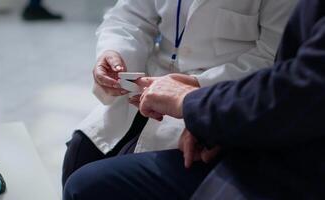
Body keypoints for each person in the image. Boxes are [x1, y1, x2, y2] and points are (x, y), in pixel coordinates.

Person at [63, 0, 325, 198]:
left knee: (93, 186)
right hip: (149, 89)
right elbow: (130, 14)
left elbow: (273, 59)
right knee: (80, 153)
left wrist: (197, 90)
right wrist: (115, 52)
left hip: (218, 99)